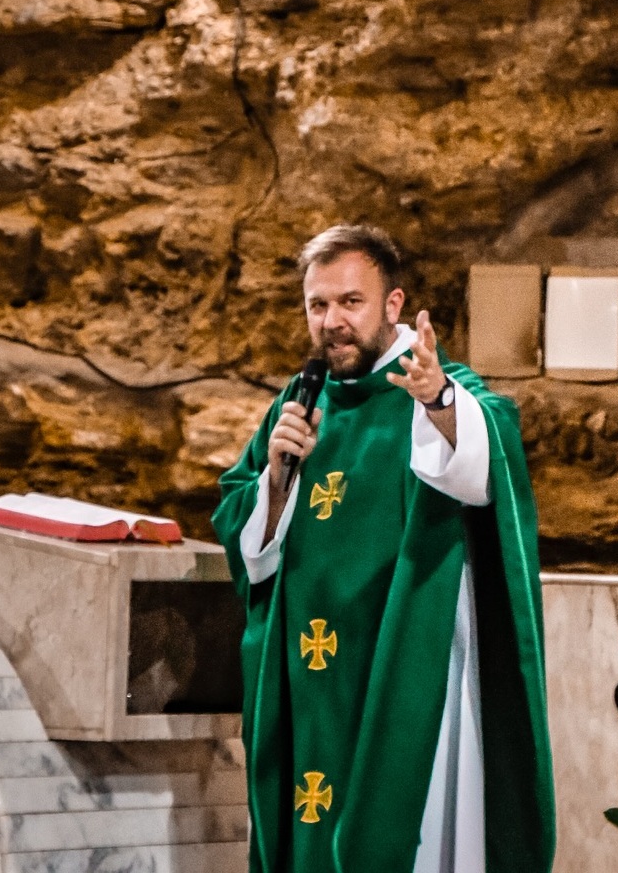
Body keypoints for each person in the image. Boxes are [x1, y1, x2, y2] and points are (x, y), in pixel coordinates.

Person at [212, 224, 556, 873]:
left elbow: (487, 454)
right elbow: (249, 540)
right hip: (312, 683)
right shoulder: (298, 401)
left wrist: (437, 399)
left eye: (350, 302)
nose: (332, 323)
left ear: (392, 306)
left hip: (400, 676)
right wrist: (278, 475)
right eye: (318, 306)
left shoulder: (436, 385)